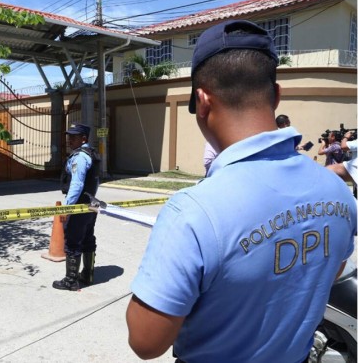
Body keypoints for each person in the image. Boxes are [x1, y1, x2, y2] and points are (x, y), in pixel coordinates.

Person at [126, 20, 356, 362]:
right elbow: (331, 268)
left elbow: (145, 342)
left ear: (202, 101)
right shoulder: (338, 191)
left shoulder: (192, 211)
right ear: (276, 96)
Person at [53, 123, 101, 291]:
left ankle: (71, 281)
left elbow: (77, 184)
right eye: (69, 136)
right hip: (91, 203)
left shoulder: (80, 157)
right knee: (88, 238)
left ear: (83, 138)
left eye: (73, 137)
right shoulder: (92, 154)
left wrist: (67, 207)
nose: (69, 140)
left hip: (79, 205)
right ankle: (87, 275)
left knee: (73, 240)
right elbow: (95, 180)